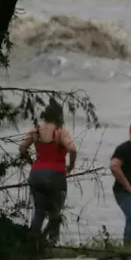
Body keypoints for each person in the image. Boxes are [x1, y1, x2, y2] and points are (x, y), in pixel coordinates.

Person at [19, 98, 78, 243]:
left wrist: (31, 162)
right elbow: (72, 149)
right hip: (55, 175)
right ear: (59, 117)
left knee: (39, 211)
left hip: (36, 174)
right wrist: (70, 166)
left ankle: (33, 244)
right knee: (55, 212)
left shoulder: (35, 131)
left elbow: (22, 148)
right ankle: (52, 243)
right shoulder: (61, 132)